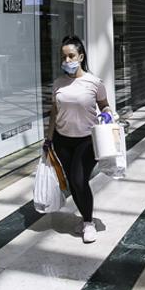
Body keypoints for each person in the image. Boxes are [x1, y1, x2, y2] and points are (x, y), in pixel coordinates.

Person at [44, 35, 114, 243]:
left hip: (87, 141)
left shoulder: (94, 83)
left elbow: (105, 105)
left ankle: (89, 222)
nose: (67, 61)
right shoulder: (58, 84)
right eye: (63, 57)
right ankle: (84, 218)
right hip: (62, 140)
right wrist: (48, 140)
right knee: (73, 185)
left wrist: (108, 114)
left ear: (81, 56)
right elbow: (54, 114)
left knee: (78, 179)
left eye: (71, 56)